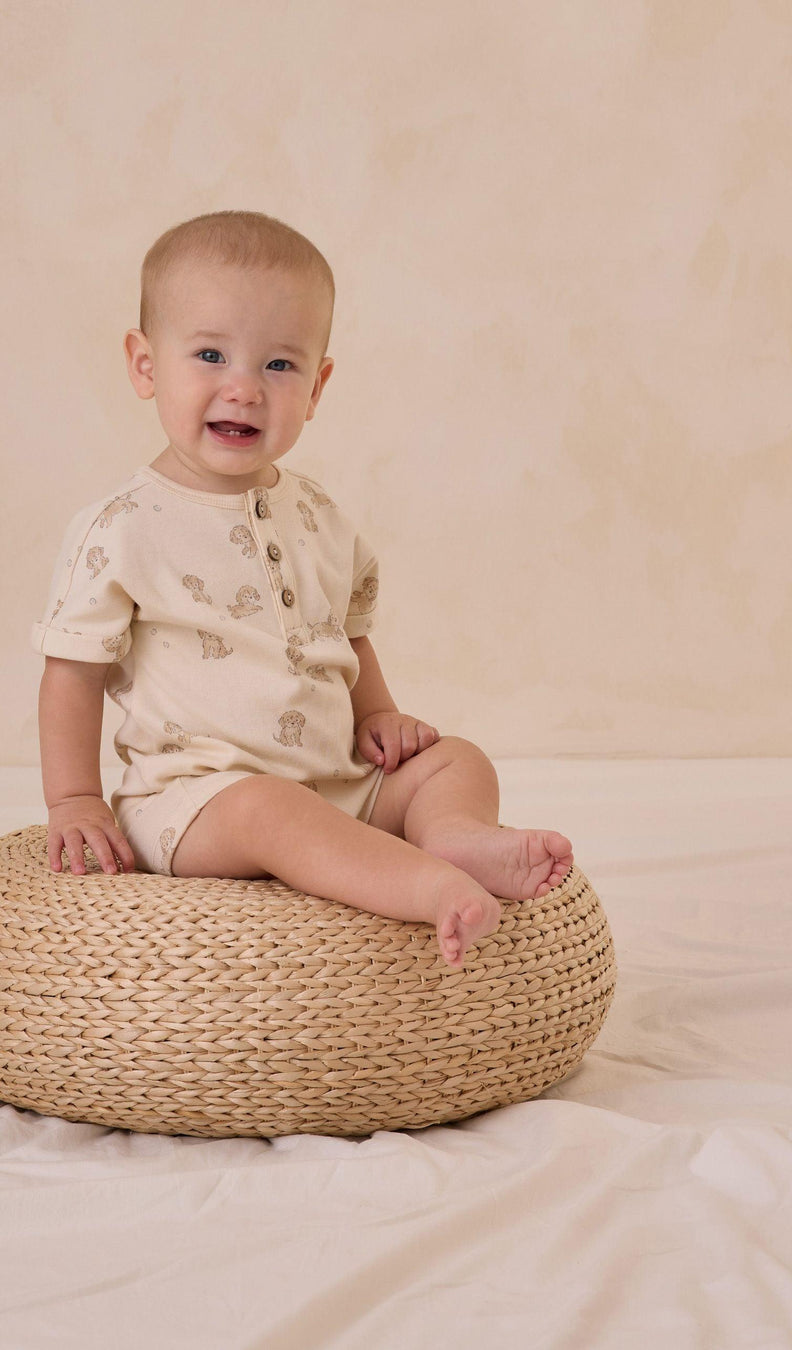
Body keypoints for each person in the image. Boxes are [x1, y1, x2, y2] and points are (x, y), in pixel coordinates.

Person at [31, 210, 573, 968]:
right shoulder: (123, 527)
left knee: (458, 759)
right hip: (201, 801)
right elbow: (72, 672)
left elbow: (345, 633)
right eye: (211, 355)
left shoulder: (317, 512)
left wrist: (380, 716)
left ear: (317, 385)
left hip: (334, 779)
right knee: (269, 809)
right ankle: (427, 887)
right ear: (146, 365)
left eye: (279, 366)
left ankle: (453, 834)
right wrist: (76, 800)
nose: (244, 389)